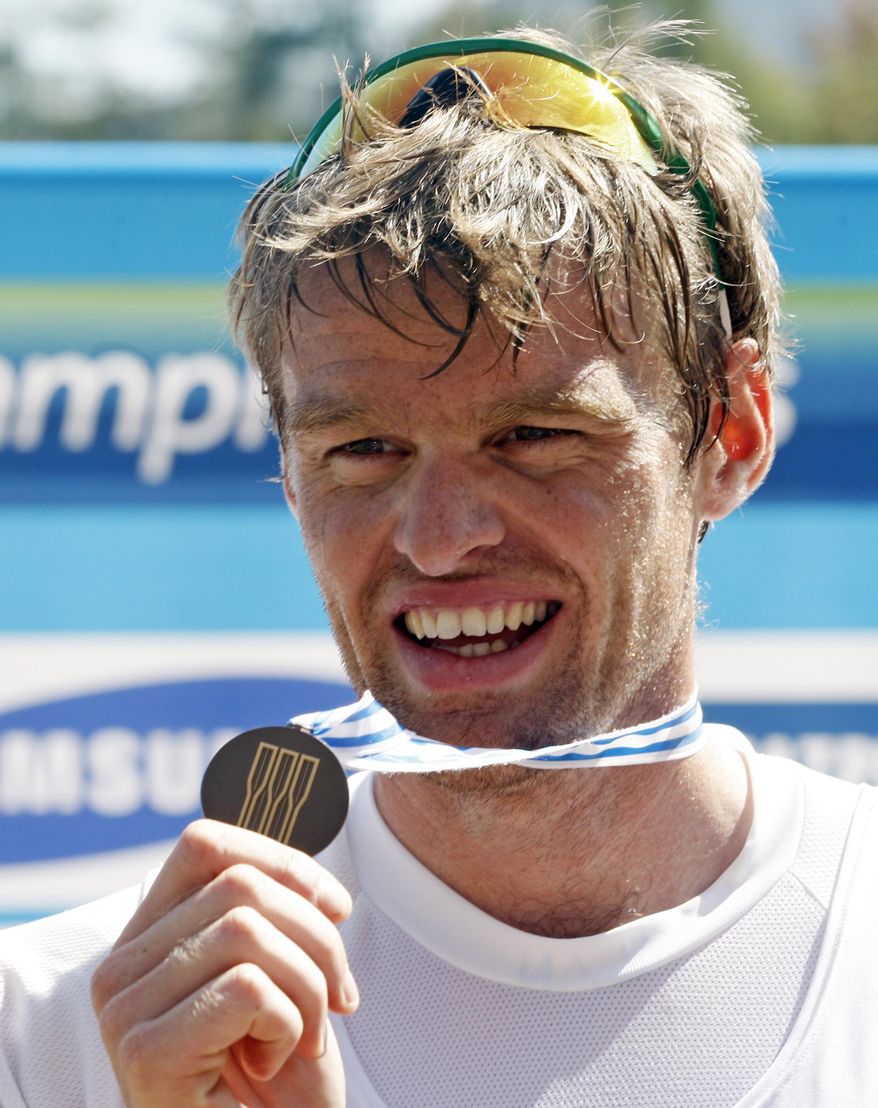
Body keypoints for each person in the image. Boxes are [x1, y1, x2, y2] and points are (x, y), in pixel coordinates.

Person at [2, 20, 877, 1108]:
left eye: (535, 436)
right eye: (363, 450)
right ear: (287, 468)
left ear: (731, 433)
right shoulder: (61, 1030)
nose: (438, 535)